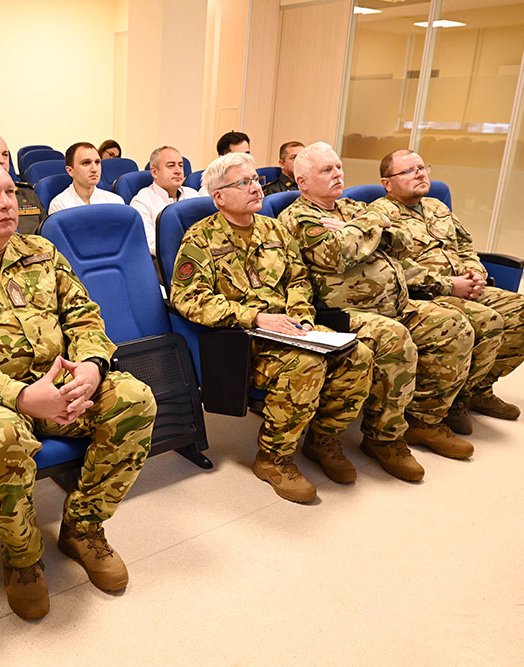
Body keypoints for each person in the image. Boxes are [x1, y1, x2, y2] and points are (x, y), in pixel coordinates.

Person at [0, 159, 156, 620]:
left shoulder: (41, 251)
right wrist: (21, 396)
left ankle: (83, 528)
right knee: (0, 437)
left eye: (10, 193)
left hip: (61, 386)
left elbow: (84, 315)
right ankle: (22, 559)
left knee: (135, 399)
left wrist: (92, 366)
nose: (8, 204)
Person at [170, 153, 372, 502]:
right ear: (219, 196)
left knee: (359, 355)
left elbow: (299, 280)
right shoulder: (200, 239)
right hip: (242, 341)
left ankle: (323, 440)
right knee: (307, 364)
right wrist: (255, 318)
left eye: (256, 180)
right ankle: (273, 458)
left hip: (290, 327)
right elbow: (188, 299)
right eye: (243, 183)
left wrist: (302, 317)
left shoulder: (274, 229)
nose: (255, 188)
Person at [278, 142, 475, 470]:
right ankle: (383, 439)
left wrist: (356, 230)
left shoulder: (353, 207)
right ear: (303, 182)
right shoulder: (298, 217)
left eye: (338, 167)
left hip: (395, 302)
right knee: (395, 338)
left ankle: (425, 420)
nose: (337, 174)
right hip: (344, 313)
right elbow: (338, 255)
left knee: (454, 326)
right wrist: (372, 226)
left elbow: (403, 243)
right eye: (326, 170)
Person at [369, 149, 524, 433]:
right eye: (408, 171)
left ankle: (477, 389)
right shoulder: (379, 215)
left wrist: (476, 273)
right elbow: (392, 266)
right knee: (489, 323)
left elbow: (465, 246)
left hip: (464, 286)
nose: (419, 174)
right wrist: (449, 285)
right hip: (425, 294)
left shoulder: (437, 207)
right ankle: (452, 403)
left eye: (422, 167)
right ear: (387, 183)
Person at [130, 145, 200, 256]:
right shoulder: (141, 202)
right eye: (171, 166)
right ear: (154, 172)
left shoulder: (193, 195)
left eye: (181, 165)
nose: (178, 171)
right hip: (164, 261)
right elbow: (150, 244)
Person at [47, 142, 123, 214]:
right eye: (86, 163)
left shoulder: (115, 201)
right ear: (70, 170)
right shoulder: (59, 205)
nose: (94, 169)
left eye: (97, 162)